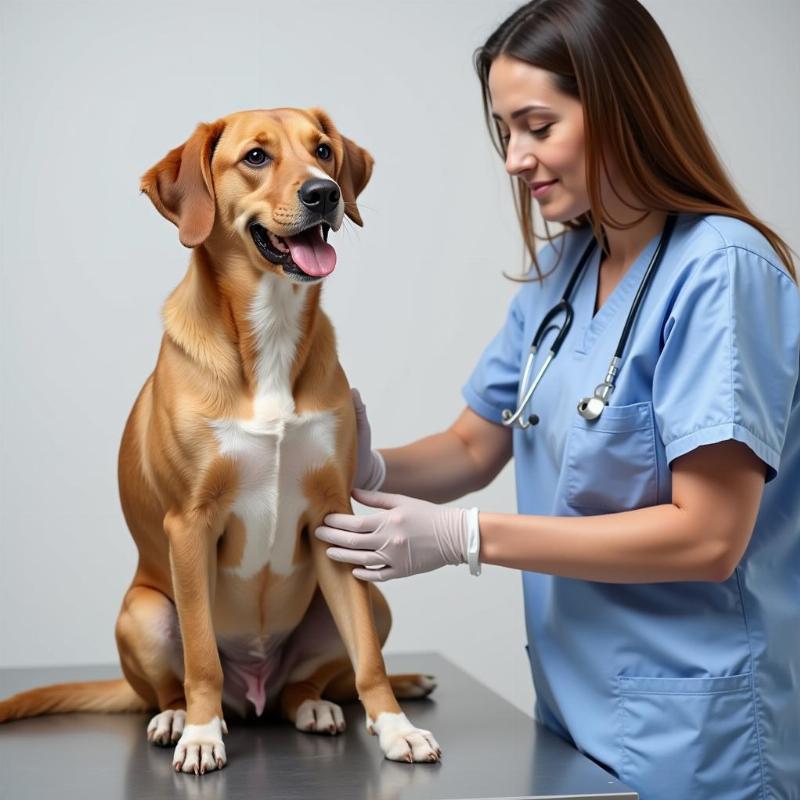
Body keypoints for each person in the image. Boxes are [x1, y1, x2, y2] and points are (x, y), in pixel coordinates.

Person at [314, 1, 800, 797]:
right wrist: (356, 461)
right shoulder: (566, 272)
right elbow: (473, 446)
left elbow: (709, 537)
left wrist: (466, 537)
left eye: (537, 126)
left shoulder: (722, 273)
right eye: (506, 131)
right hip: (573, 718)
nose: (514, 157)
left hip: (697, 736)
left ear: (622, 107)